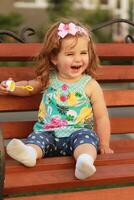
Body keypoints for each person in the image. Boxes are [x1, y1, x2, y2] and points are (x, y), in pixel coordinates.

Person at [0, 18, 113, 180]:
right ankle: (30, 153)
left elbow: (101, 117)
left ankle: (84, 161)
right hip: (48, 133)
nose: (78, 59)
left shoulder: (90, 85)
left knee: (87, 141)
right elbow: (29, 87)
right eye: (70, 54)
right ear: (54, 58)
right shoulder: (48, 79)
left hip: (77, 134)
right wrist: (12, 87)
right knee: (36, 139)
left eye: (83, 53)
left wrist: (104, 144)